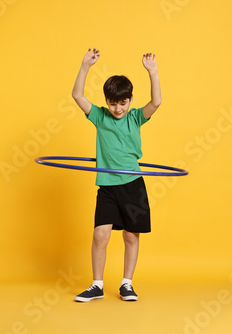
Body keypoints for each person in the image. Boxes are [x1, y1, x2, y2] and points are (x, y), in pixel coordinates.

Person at [71, 48, 161, 302]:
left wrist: (152, 72)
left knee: (131, 235)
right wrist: (85, 65)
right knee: (101, 233)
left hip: (133, 184)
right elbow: (77, 95)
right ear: (106, 101)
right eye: (113, 103)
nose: (118, 108)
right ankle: (97, 285)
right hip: (108, 186)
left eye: (123, 103)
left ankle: (126, 284)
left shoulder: (135, 118)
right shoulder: (99, 116)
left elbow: (156, 103)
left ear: (130, 100)